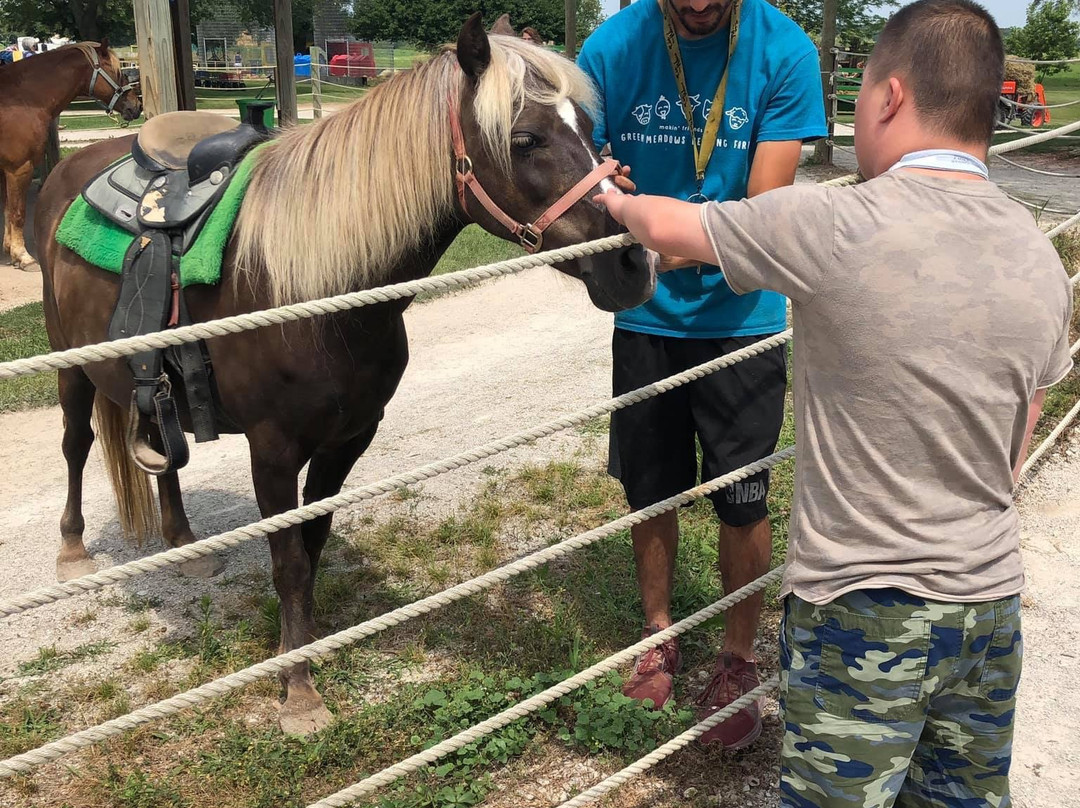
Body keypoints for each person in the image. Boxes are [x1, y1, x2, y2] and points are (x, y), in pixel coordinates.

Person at [595, 0, 1074, 804]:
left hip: (862, 610)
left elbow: (676, 226)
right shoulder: (1038, 254)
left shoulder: (836, 223)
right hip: (990, 606)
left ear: (887, 97)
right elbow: (1016, 436)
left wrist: (610, 203)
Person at [576, 0, 826, 749]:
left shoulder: (785, 50)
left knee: (743, 501)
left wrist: (645, 237)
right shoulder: (612, 47)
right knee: (648, 487)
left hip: (742, 323)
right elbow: (583, 166)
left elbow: (761, 216)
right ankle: (659, 634)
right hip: (646, 318)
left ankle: (738, 659)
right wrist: (601, 183)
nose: (694, 5)